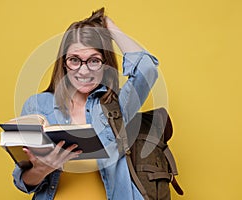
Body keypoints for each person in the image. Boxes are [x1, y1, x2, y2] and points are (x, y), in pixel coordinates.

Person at [13, 7, 159, 200]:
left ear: (105, 63)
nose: (83, 71)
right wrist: (42, 169)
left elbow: (147, 69)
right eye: (74, 60)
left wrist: (110, 28)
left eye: (94, 60)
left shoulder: (118, 105)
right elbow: (23, 181)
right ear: (63, 62)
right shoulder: (37, 106)